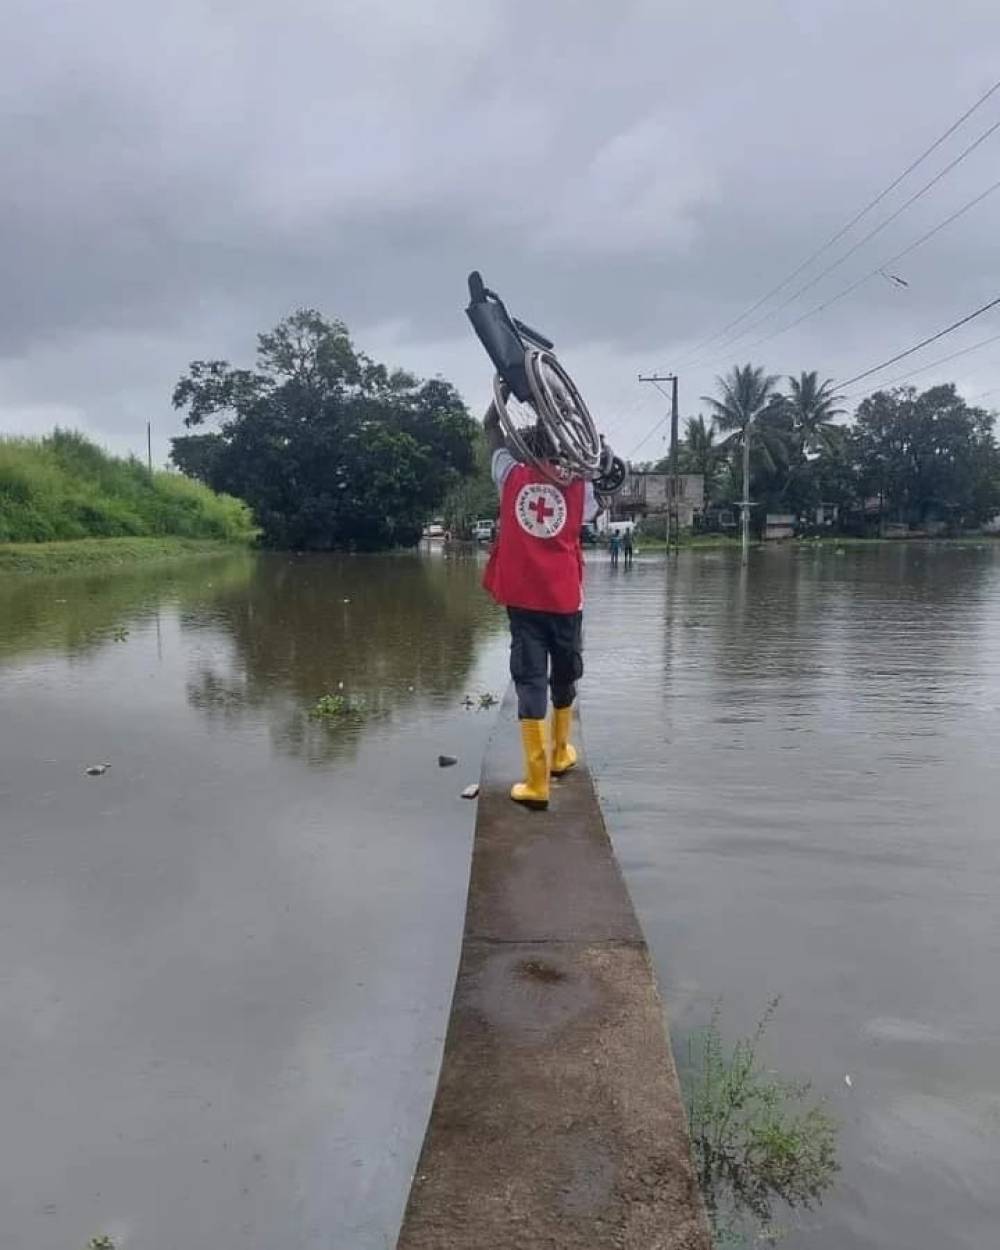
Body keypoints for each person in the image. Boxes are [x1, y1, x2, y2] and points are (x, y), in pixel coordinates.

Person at [482, 403, 602, 810]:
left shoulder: (510, 476)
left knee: (530, 681)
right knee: (564, 675)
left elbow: (490, 432)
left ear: (525, 446)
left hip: (524, 600)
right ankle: (561, 753)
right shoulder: (582, 488)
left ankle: (536, 782)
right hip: (566, 599)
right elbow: (600, 472)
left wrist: (497, 409)